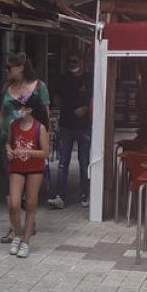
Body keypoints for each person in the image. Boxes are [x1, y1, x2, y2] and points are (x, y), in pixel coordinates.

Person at [0, 52, 50, 243]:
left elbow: (45, 114)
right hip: (10, 141)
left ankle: (29, 223)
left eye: (9, 68)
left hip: (32, 141)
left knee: (30, 190)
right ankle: (15, 228)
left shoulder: (39, 87)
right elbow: (1, 114)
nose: (6, 71)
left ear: (20, 68)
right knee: (12, 188)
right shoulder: (8, 88)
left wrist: (45, 140)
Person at [5, 95, 50, 259]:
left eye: (20, 108)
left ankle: (26, 241)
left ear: (29, 110)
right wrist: (8, 149)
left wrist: (26, 151)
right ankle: (17, 234)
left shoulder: (40, 128)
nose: (17, 111)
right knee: (14, 203)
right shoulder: (13, 125)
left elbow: (45, 152)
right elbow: (8, 142)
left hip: (34, 168)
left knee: (31, 204)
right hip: (16, 167)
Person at [48, 53, 92, 209]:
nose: (72, 63)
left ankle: (85, 195)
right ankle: (60, 196)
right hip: (66, 126)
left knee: (84, 162)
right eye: (69, 61)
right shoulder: (63, 79)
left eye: (75, 60)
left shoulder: (89, 79)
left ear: (82, 61)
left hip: (84, 126)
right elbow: (56, 97)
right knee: (63, 163)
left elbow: (96, 98)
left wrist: (86, 108)